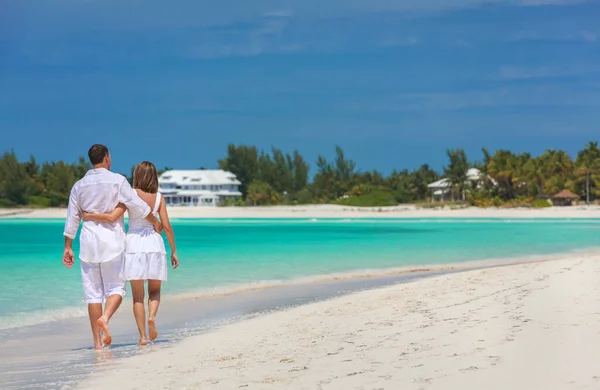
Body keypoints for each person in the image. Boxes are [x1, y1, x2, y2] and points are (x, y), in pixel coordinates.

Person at [63, 145, 163, 350]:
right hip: (112, 243)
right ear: (107, 158)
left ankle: (97, 344)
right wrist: (154, 221)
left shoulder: (78, 185)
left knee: (92, 295)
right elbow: (137, 205)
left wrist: (68, 246)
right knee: (116, 289)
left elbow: (72, 217)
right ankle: (106, 318)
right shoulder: (118, 180)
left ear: (91, 160)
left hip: (88, 243)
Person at [82, 161, 178, 346]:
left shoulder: (130, 195)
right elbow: (166, 226)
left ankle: (142, 337)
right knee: (155, 291)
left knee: (137, 297)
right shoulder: (159, 198)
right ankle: (152, 316)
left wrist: (89, 216)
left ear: (137, 177)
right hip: (154, 245)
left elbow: (112, 216)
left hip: (134, 244)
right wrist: (174, 251)